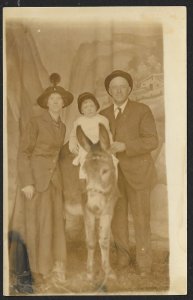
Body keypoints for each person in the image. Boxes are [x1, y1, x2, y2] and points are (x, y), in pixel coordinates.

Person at [9, 73, 74, 291]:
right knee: (34, 225)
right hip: (35, 182)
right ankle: (32, 271)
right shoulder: (36, 122)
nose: (56, 102)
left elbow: (58, 155)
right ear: (46, 103)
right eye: (52, 100)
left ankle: (48, 268)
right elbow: (23, 152)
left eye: (59, 100)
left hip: (54, 181)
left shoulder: (63, 127)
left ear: (64, 103)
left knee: (51, 225)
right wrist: (27, 182)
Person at [100, 70, 159, 276]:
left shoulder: (142, 110)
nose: (118, 90)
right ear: (109, 91)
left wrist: (125, 146)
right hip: (114, 177)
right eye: (114, 87)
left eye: (122, 86)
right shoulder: (103, 115)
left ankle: (144, 265)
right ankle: (123, 261)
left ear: (129, 89)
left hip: (139, 174)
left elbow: (152, 140)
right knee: (117, 219)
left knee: (141, 219)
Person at [69, 92, 118, 179]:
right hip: (86, 149)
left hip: (101, 148)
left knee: (111, 163)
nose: (89, 109)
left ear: (96, 107)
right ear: (82, 111)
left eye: (91, 106)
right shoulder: (79, 121)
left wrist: (110, 146)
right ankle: (87, 181)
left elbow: (107, 134)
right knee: (86, 165)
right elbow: (73, 135)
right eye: (86, 107)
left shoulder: (102, 119)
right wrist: (72, 146)